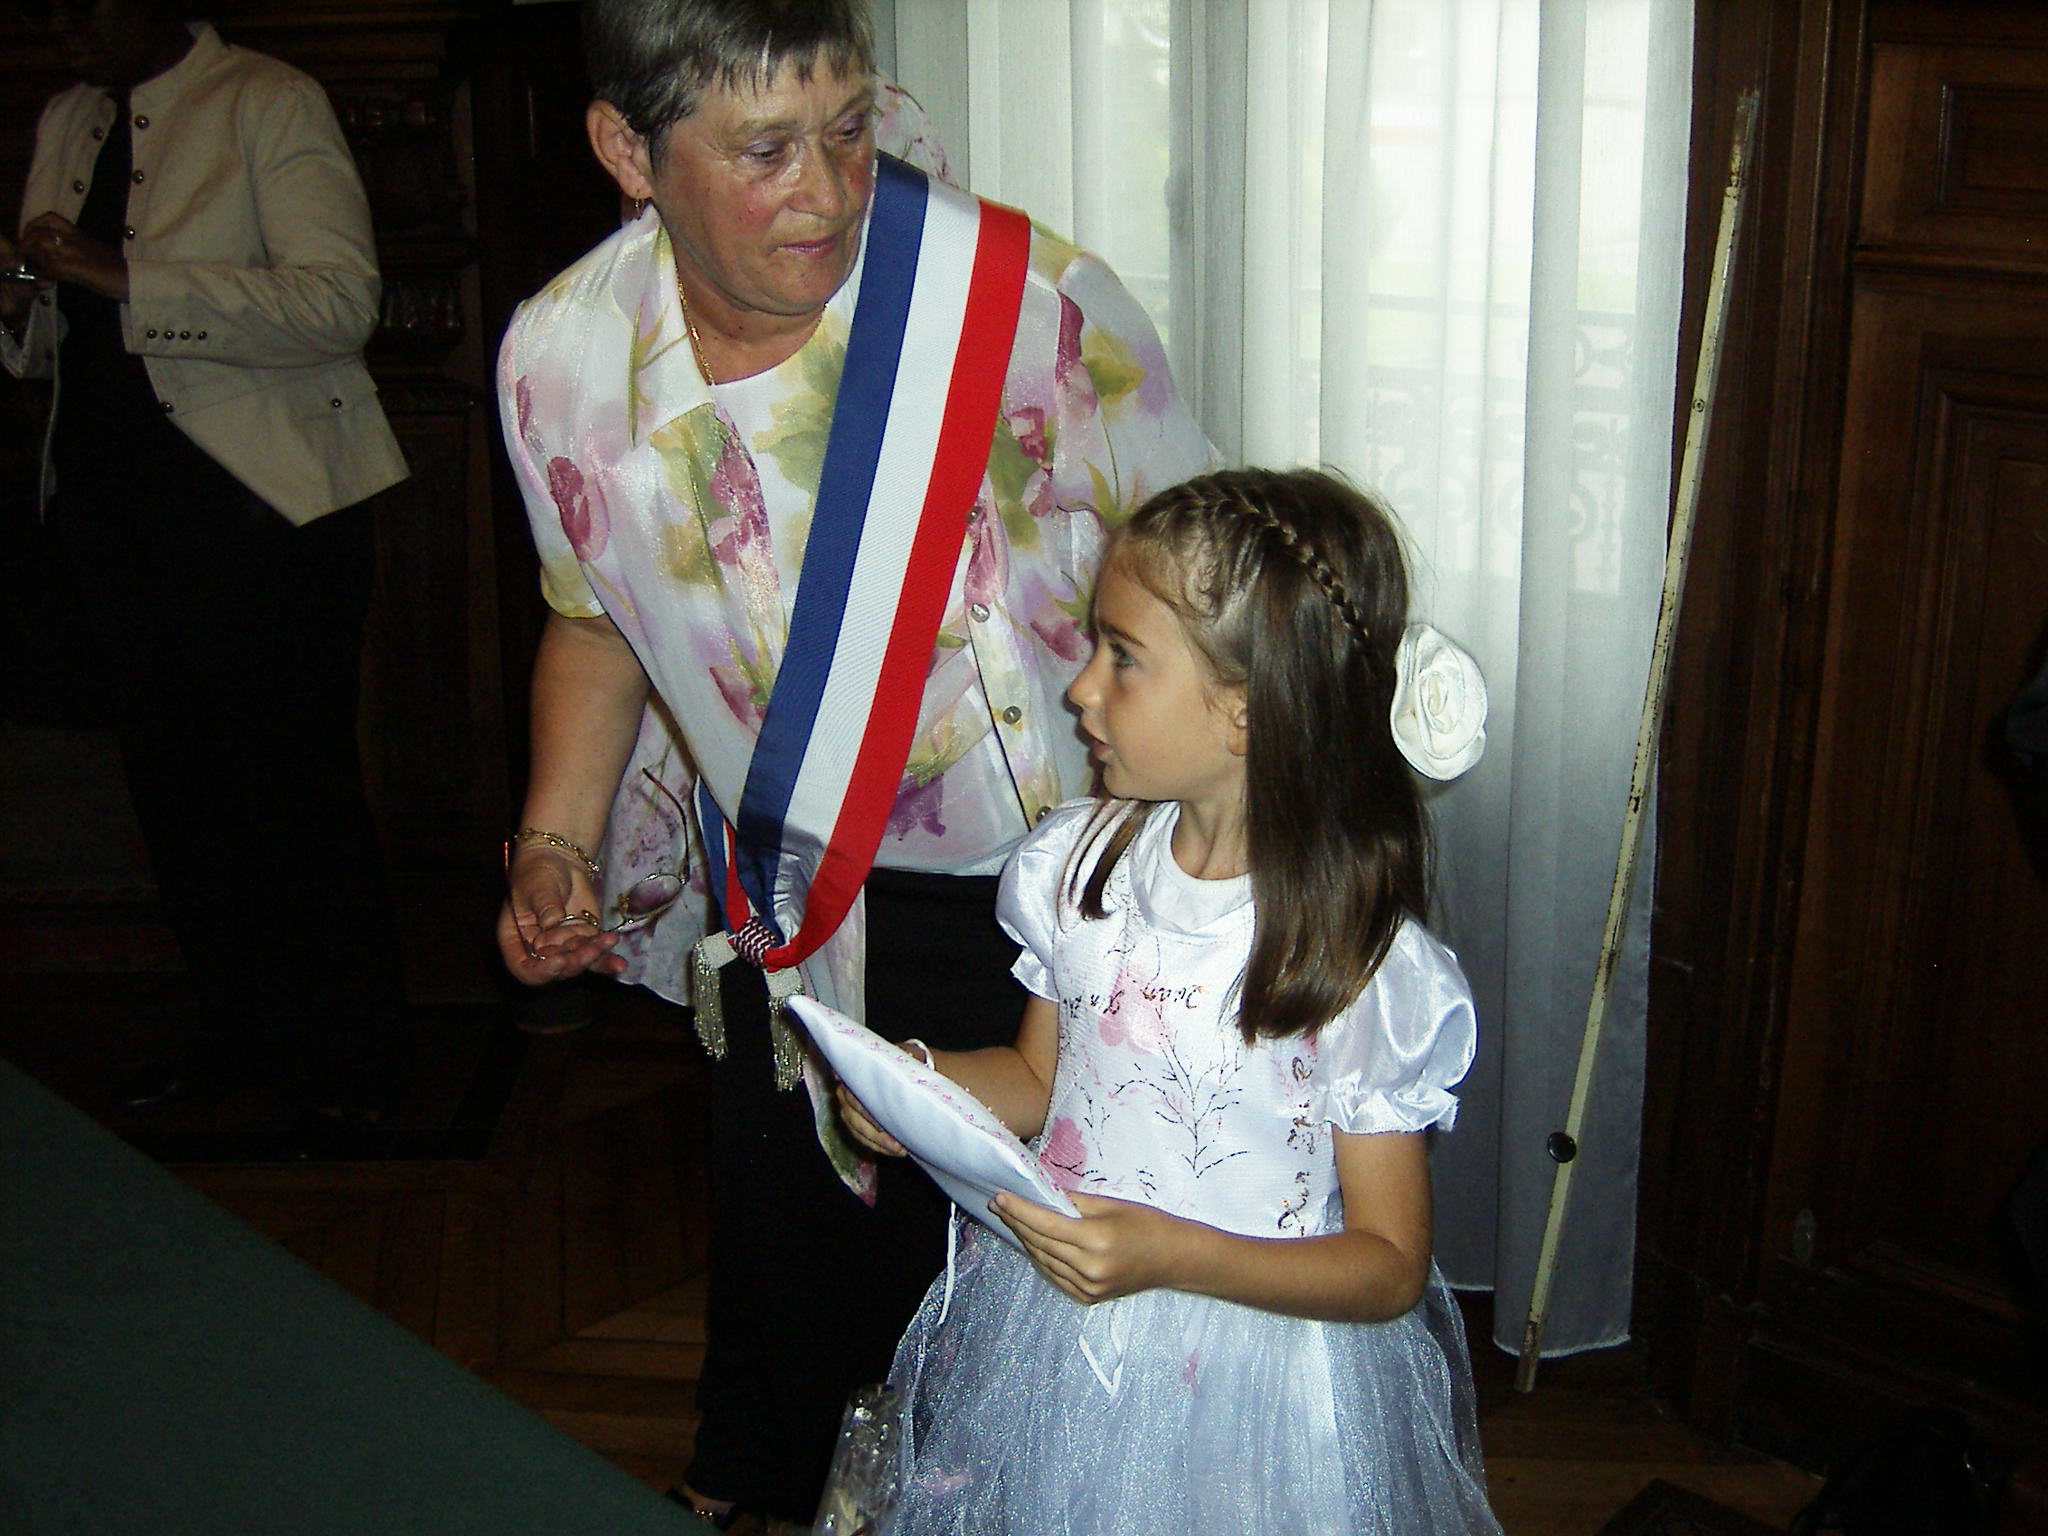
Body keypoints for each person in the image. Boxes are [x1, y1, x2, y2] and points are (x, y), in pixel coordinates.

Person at [492, 1, 1212, 1527]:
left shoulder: (1021, 306)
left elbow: (1214, 609)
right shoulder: (562, 363)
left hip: (1040, 914)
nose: (825, 190)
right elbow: (596, 620)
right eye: (765, 150)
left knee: (1023, 1333)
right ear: (628, 149)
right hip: (788, 901)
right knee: (796, 1295)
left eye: (845, 128)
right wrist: (556, 840)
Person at [840, 467, 1502, 1535]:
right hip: (1063, 1342)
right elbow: (1037, 1080)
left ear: (1245, 710)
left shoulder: (1354, 961)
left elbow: (1387, 1266)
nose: (1080, 690)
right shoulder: (1080, 868)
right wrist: (919, 1082)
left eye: (1122, 656)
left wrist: (1168, 1254)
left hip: (1254, 1390)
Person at [0, 1, 412, 1134]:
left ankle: (357, 1053)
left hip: (262, 511)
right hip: (111, 506)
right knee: (176, 797)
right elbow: (53, 338)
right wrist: (25, 301)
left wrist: (125, 276)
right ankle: (237, 1034)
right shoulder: (68, 116)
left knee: (292, 789)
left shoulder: (267, 100)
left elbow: (341, 302)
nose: (64, 28)